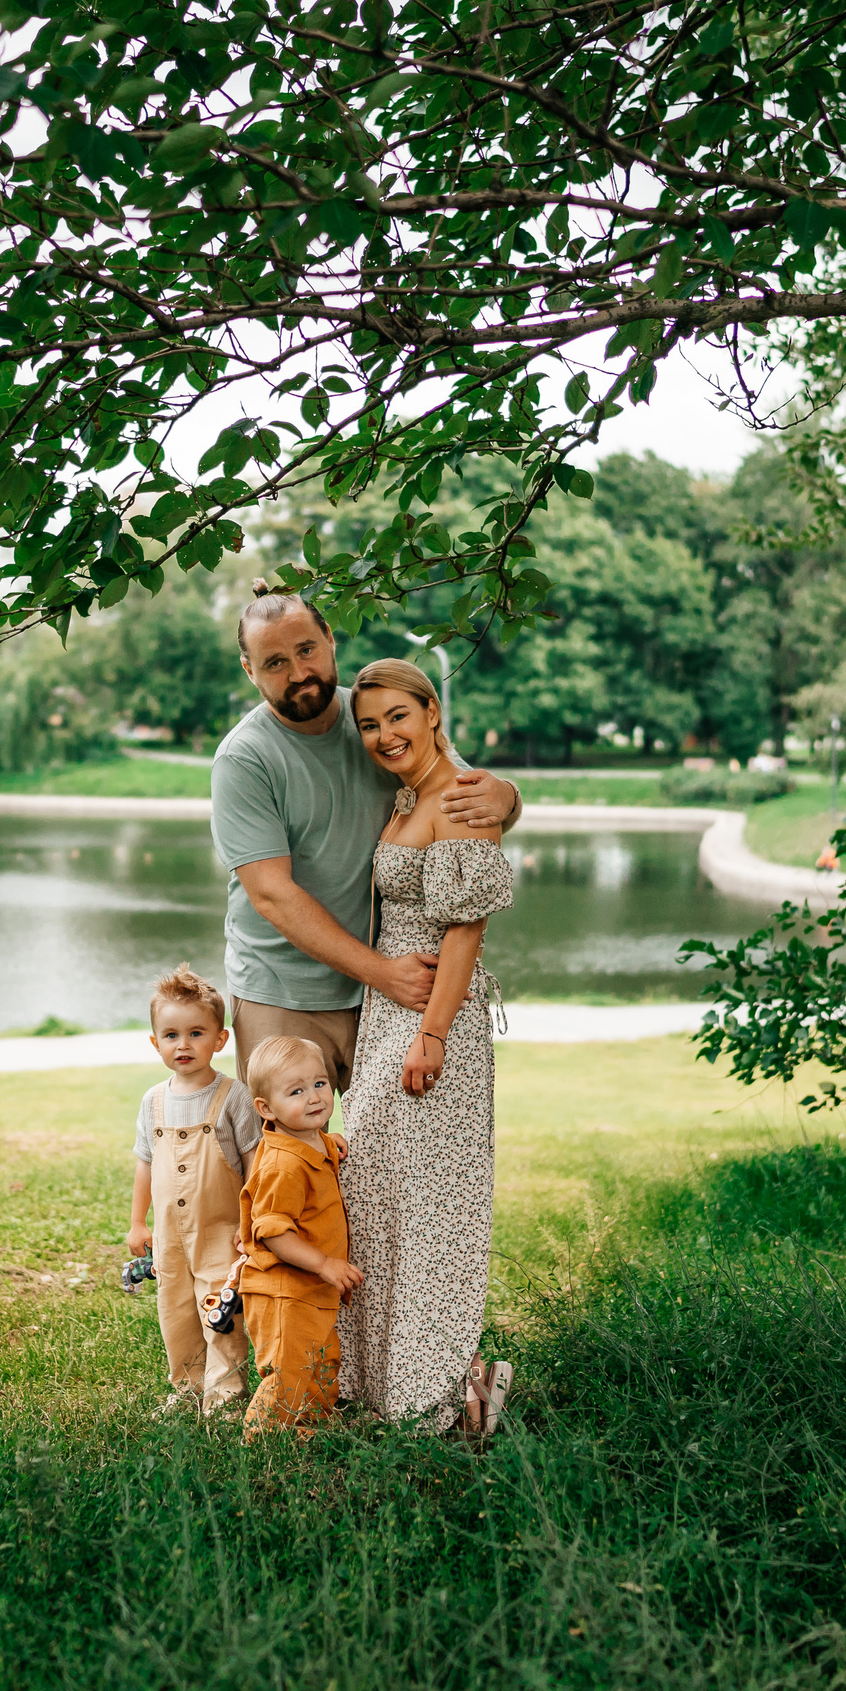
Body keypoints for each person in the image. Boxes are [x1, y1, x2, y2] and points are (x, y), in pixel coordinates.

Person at [212, 583, 521, 1093]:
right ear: (250, 672)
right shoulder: (244, 760)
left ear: (330, 638)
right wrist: (382, 971)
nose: (298, 672)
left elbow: (460, 791)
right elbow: (272, 894)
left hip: (389, 995)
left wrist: (507, 797)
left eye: (306, 649)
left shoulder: (378, 717)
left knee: (383, 1163)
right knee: (286, 1162)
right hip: (283, 992)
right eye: (274, 663)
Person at [337, 657, 516, 1436]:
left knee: (434, 1211)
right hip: (388, 1012)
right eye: (369, 724)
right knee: (378, 1198)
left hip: (433, 1021)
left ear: (432, 709)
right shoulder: (413, 795)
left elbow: (466, 928)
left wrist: (433, 1035)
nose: (384, 734)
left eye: (397, 717)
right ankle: (376, 1383)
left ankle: (432, 1396)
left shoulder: (460, 796)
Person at [125, 965, 262, 1414]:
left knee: (221, 1313)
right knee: (177, 1313)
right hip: (168, 1237)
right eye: (170, 1035)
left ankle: (224, 1396)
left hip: (221, 1232)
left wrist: (253, 1222)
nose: (183, 1045)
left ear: (220, 1040)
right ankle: (185, 1389)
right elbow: (145, 1162)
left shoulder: (234, 1096)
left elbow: (254, 1164)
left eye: (196, 1033)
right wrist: (136, 1222)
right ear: (155, 1042)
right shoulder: (153, 1100)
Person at [236, 1034, 362, 1436]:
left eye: (320, 1083)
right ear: (266, 1108)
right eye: (296, 1091)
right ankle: (261, 1442)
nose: (314, 1098)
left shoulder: (310, 1142)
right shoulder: (283, 1166)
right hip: (283, 1292)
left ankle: (309, 1431)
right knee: (289, 1371)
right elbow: (273, 1233)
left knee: (322, 1365)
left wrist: (330, 1142)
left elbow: (318, 1146)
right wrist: (324, 1263)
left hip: (310, 1293)